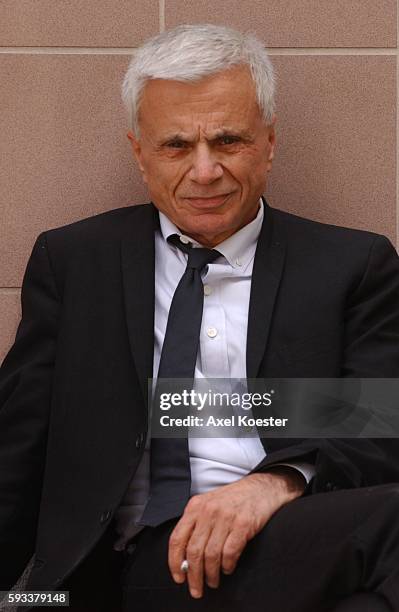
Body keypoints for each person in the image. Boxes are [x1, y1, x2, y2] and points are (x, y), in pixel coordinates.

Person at [1, 24, 399, 612]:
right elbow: (19, 442)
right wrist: (21, 596)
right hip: (137, 566)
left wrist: (276, 481)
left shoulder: (350, 266)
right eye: (177, 146)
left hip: (292, 539)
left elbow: (381, 425)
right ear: (139, 152)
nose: (205, 171)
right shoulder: (74, 263)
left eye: (229, 141)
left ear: (270, 141)